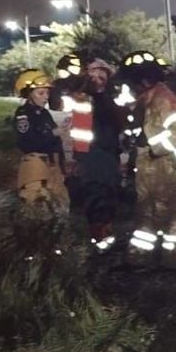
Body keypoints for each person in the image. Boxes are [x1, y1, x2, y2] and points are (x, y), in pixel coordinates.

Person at [117, 50, 176, 263]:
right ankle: (148, 253)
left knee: (168, 212)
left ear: (143, 80)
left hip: (165, 166)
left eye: (131, 82)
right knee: (148, 208)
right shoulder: (150, 99)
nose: (129, 88)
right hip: (152, 166)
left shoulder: (163, 100)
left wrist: (152, 148)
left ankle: (172, 256)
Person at [61, 56, 123, 251]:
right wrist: (77, 159)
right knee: (95, 198)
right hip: (92, 157)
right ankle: (98, 241)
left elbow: (117, 125)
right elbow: (79, 131)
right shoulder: (83, 100)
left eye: (101, 77)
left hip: (108, 155)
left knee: (110, 197)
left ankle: (106, 238)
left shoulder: (109, 101)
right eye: (93, 76)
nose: (97, 80)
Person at [12, 68, 70, 219]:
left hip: (52, 164)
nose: (45, 97)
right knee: (36, 208)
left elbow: (53, 139)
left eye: (47, 93)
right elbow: (26, 141)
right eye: (40, 93)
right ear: (28, 94)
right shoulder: (23, 114)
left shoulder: (44, 113)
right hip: (35, 166)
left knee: (60, 206)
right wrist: (53, 133)